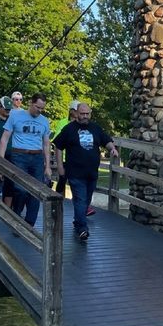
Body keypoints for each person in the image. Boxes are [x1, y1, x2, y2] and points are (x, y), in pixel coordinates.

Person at [52, 102, 119, 241]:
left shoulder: (95, 128)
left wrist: (112, 148)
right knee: (80, 199)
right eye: (82, 114)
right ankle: (82, 228)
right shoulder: (69, 129)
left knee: (86, 200)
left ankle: (78, 221)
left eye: (87, 114)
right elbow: (58, 146)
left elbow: (106, 140)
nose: (85, 116)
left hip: (91, 172)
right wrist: (60, 166)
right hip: (75, 172)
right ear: (76, 113)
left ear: (90, 114)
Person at [0, 93, 52, 225]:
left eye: (42, 108)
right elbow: (5, 138)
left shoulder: (44, 121)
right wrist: (1, 160)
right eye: (37, 107)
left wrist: (47, 166)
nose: (39, 111)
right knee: (20, 189)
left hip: (37, 156)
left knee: (37, 190)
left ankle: (29, 223)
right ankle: (17, 215)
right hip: (19, 155)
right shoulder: (15, 116)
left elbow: (46, 143)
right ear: (31, 103)